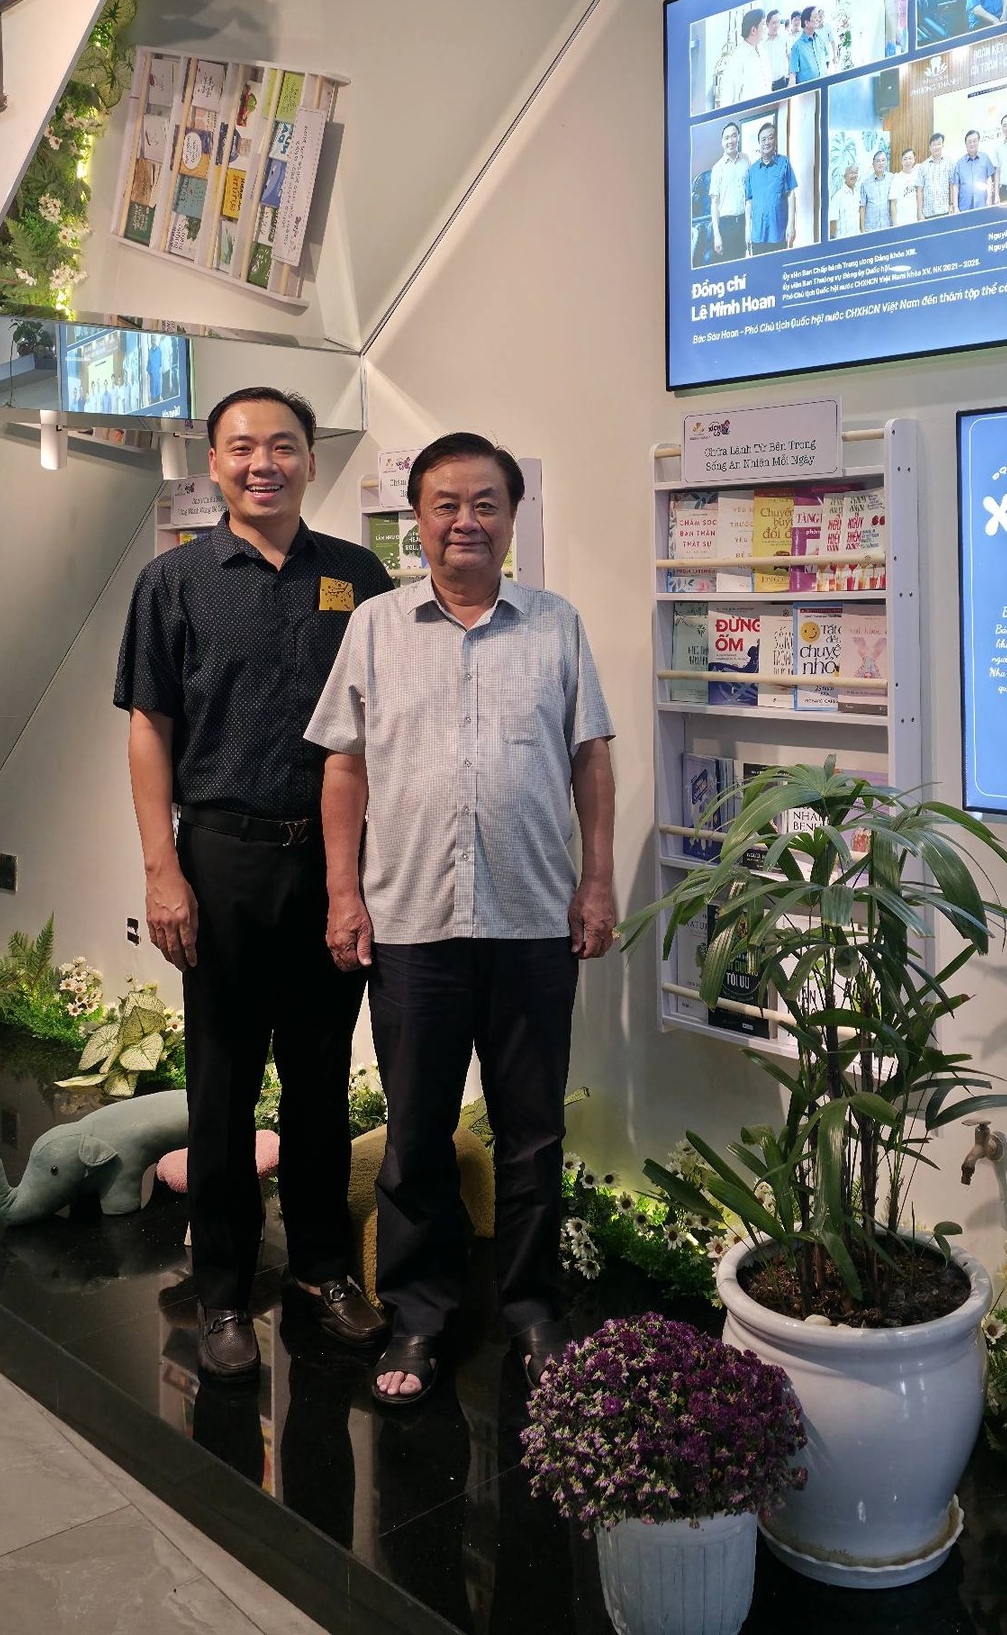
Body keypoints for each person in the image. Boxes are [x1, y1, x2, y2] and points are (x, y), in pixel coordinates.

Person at [306, 434, 615, 1405]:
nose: (465, 521)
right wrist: (343, 893)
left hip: (531, 919)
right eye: (445, 504)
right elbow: (344, 764)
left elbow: (591, 760)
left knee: (531, 1134)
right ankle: (418, 1315)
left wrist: (597, 882)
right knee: (415, 1133)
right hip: (412, 921)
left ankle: (532, 1310)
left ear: (512, 517)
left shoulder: (556, 625)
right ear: (418, 520)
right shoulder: (375, 626)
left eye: (485, 503)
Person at [115, 388, 393, 1381]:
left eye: (282, 445)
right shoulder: (175, 581)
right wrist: (163, 869)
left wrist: (362, 876)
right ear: (214, 462)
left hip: (332, 861)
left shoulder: (357, 577)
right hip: (220, 856)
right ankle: (225, 1289)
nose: (262, 463)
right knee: (223, 1081)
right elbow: (149, 726)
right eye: (242, 447)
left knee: (320, 1073)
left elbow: (385, 722)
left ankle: (322, 1269)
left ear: (311, 460)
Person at [743, 121, 797, 253]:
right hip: (757, 234)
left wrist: (791, 225)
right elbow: (749, 202)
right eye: (763, 139)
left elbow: (790, 195)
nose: (767, 142)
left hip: (778, 232)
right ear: (759, 143)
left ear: (776, 140)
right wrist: (747, 230)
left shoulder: (784, 163)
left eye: (770, 138)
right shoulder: (752, 170)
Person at [709, 121, 750, 261]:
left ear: (738, 137)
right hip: (726, 226)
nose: (730, 141)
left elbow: (749, 196)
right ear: (722, 142)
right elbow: (714, 203)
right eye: (727, 138)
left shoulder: (746, 160)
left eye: (733, 136)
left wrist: (749, 227)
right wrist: (716, 234)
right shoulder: (717, 168)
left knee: (743, 263)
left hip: (744, 221)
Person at [719, 9, 772, 108]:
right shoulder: (738, 57)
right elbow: (727, 96)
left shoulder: (762, 51)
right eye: (763, 24)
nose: (766, 28)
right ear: (753, 30)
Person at [953, 127, 997, 211]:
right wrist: (955, 206)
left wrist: (989, 198)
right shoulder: (959, 163)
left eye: (974, 141)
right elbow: (956, 186)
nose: (972, 144)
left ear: (978, 142)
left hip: (982, 203)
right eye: (969, 142)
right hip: (964, 205)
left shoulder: (985, 158)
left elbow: (989, 179)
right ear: (966, 144)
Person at [917, 132, 956, 219]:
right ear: (929, 147)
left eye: (939, 144)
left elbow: (952, 185)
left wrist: (952, 204)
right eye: (934, 145)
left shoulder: (949, 163)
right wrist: (919, 212)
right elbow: (920, 190)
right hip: (928, 214)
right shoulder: (923, 166)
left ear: (942, 145)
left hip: (945, 212)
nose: (937, 147)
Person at [789, 5, 828, 86]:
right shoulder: (796, 47)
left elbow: (826, 61)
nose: (818, 19)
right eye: (815, 17)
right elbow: (793, 75)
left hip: (824, 87)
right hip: (808, 92)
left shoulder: (820, 39)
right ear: (806, 22)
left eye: (818, 16)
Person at [858, 148, 893, 233]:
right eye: (878, 161)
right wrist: (862, 230)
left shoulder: (892, 178)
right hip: (871, 228)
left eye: (883, 160)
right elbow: (862, 207)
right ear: (873, 163)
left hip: (888, 226)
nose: (881, 163)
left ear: (886, 162)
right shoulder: (865, 183)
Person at [889, 147, 922, 226]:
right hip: (901, 222)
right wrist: (895, 223)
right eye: (905, 159)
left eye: (910, 158)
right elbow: (893, 203)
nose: (908, 161)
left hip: (915, 220)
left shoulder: (918, 173)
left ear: (914, 159)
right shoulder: (896, 178)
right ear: (901, 161)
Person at [832, 159, 862, 239]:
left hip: (857, 238)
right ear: (844, 176)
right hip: (842, 239)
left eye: (855, 173)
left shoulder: (859, 193)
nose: (854, 175)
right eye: (851, 173)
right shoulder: (838, 196)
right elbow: (832, 222)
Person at [762, 10, 791, 91]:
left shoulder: (785, 37)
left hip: (781, 82)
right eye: (774, 23)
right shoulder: (762, 41)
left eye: (778, 22)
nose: (777, 25)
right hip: (765, 84)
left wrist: (790, 78)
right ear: (767, 24)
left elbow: (790, 58)